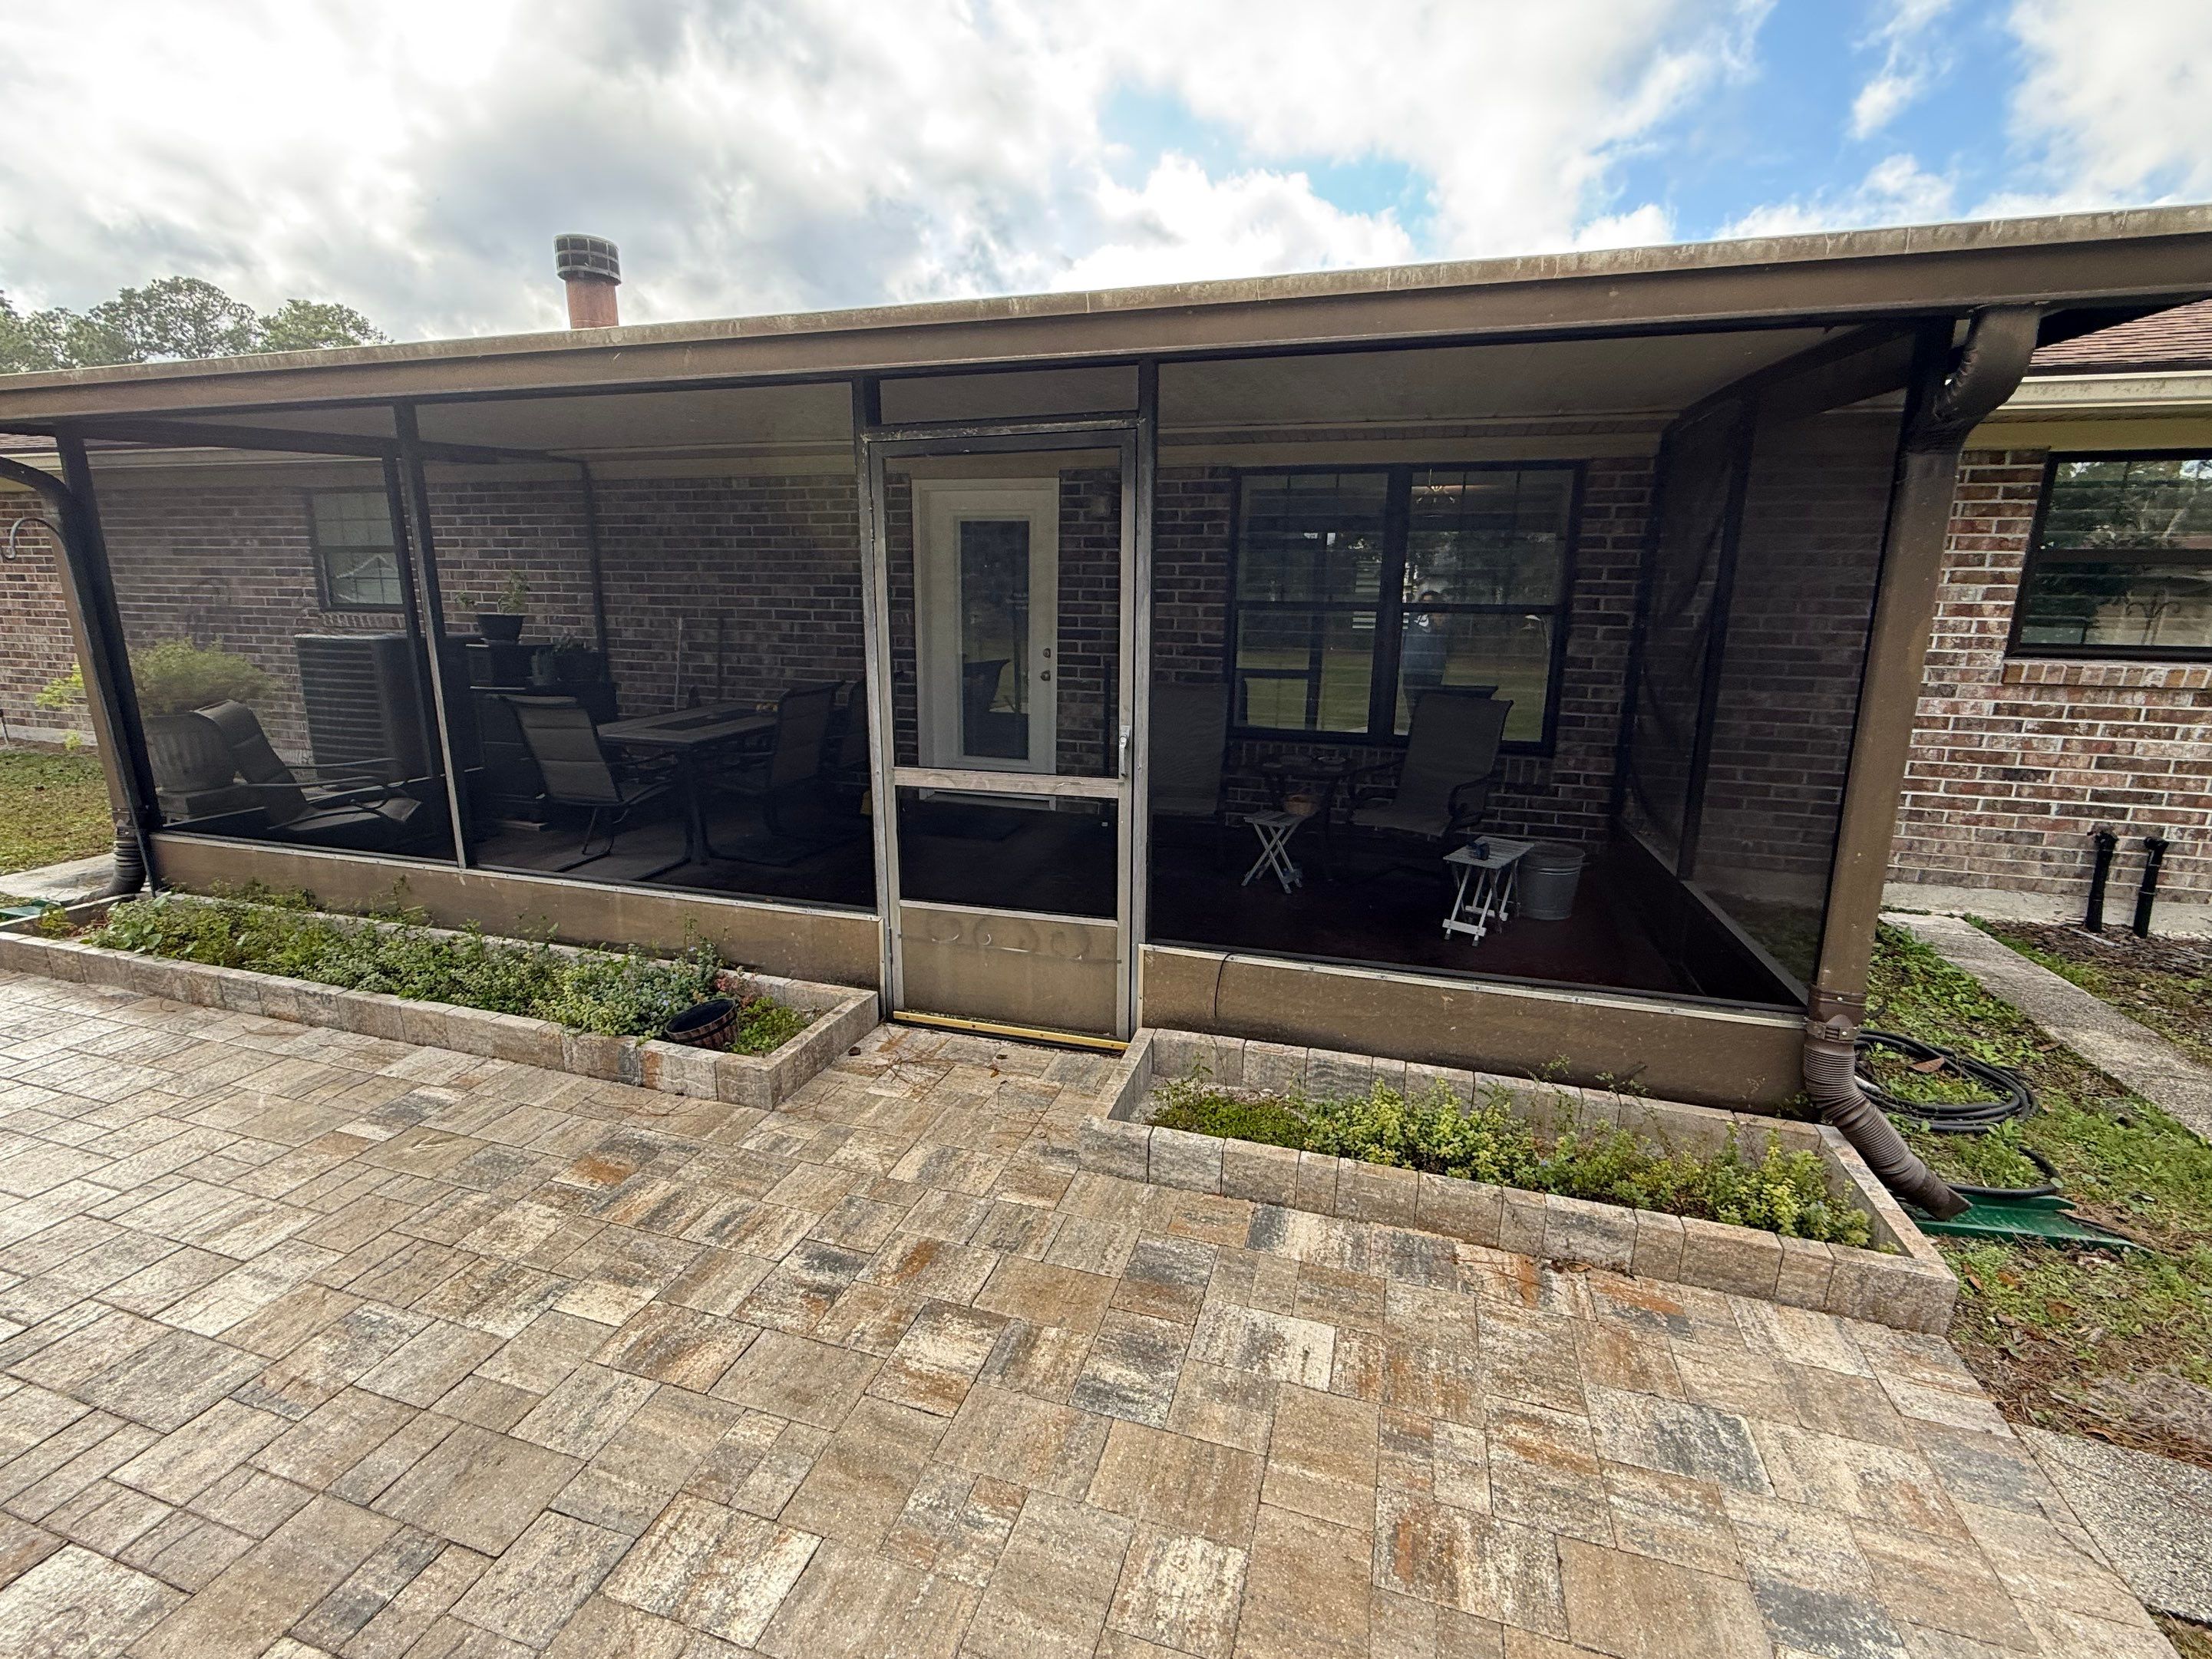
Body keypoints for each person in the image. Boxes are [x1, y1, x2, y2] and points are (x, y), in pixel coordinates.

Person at [1401, 589, 1449, 701]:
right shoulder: (1414, 615)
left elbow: (1442, 627)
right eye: (1424, 601)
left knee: (1428, 701)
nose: (1426, 604)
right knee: (1412, 699)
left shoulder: (1441, 617)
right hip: (1412, 667)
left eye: (1430, 602)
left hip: (1432, 669)